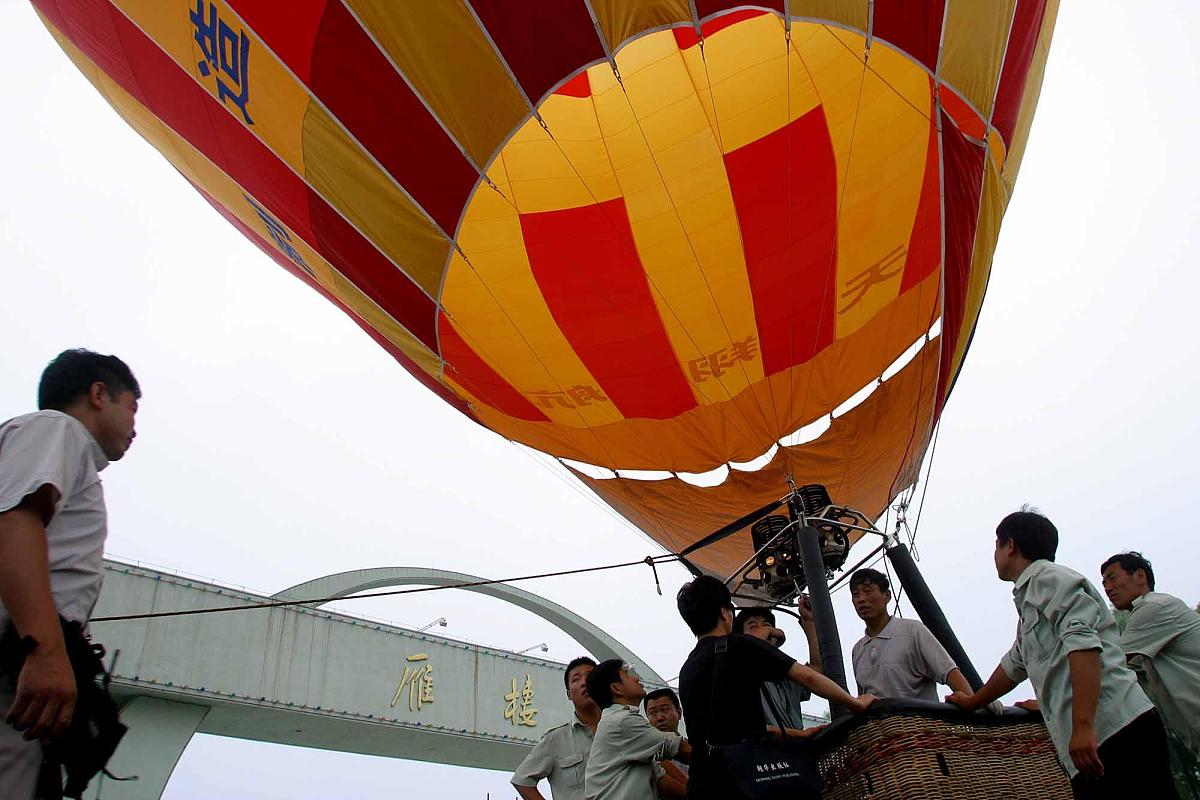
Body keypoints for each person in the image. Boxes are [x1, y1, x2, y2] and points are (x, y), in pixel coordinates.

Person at [947, 508, 1177, 798]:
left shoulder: (1049, 579)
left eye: (996, 544)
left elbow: (1082, 644)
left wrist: (1082, 726)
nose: (994, 554)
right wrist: (973, 702)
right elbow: (1014, 665)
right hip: (1090, 741)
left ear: (1010, 545)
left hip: (1114, 730)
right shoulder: (1030, 602)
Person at [0, 350, 140, 800]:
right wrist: (45, 651)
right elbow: (15, 521)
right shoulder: (56, 430)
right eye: (131, 408)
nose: (135, 426)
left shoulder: (62, 448)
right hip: (15, 667)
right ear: (99, 394)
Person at [676, 575, 875, 799]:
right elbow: (808, 677)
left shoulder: (688, 669)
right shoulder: (740, 646)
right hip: (746, 778)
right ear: (724, 613)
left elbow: (734, 725)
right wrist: (855, 703)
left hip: (705, 781)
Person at [1100, 551, 1200, 753]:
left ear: (1140, 576)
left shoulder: (1153, 608)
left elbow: (1109, 665)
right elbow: (1125, 674)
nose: (1108, 589)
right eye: (1103, 585)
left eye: (1112, 578)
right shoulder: (1152, 618)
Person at [848, 568, 975, 701]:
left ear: (887, 596)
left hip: (917, 721)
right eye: (856, 594)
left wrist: (973, 703)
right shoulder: (858, 649)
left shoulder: (913, 631)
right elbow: (863, 699)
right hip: (880, 722)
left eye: (868, 592)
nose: (861, 599)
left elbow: (949, 672)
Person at [583, 659, 689, 800]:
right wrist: (724, 757)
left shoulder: (619, 722)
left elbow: (660, 779)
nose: (636, 678)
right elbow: (681, 749)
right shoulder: (622, 721)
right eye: (627, 674)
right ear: (616, 688)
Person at [512, 657, 601, 800]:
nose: (584, 682)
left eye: (590, 676)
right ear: (568, 694)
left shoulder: (623, 728)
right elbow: (522, 780)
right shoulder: (556, 739)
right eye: (576, 679)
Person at [733, 602, 820, 733]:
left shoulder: (788, 674)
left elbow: (817, 672)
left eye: (767, 625)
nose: (764, 630)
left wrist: (809, 622)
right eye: (753, 626)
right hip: (764, 750)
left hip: (796, 750)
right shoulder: (739, 673)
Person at [643, 688, 689, 782]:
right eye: (653, 713)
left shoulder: (693, 748)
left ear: (679, 713)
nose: (660, 718)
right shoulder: (645, 754)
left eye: (665, 710)